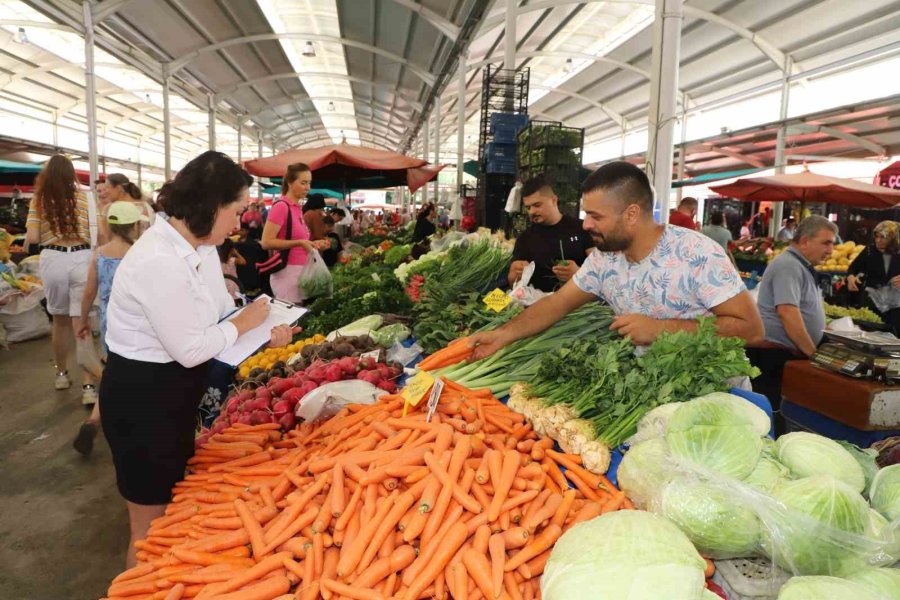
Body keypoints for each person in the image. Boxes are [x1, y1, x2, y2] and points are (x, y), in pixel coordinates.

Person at [100, 151, 297, 568]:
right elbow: (191, 347)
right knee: (149, 532)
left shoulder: (202, 246)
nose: (241, 221)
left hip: (173, 396)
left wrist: (265, 332)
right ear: (212, 206)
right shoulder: (158, 260)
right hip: (143, 401)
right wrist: (246, 324)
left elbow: (213, 322)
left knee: (169, 519)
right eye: (238, 210)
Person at [469, 161, 763, 359]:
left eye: (596, 216)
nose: (585, 225)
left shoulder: (698, 254)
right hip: (649, 392)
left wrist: (661, 329)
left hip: (710, 400)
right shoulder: (604, 258)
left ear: (631, 214)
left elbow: (752, 329)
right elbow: (556, 304)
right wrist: (502, 335)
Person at [72, 201, 148, 456]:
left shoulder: (99, 253)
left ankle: (94, 420)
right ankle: (131, 425)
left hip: (109, 322)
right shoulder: (140, 253)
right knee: (135, 372)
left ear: (109, 225)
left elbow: (89, 292)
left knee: (112, 370)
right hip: (137, 321)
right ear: (136, 225)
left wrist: (82, 321)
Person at [747, 216, 837, 432]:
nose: (831, 250)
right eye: (826, 243)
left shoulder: (799, 265)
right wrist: (812, 354)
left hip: (782, 356)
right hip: (774, 358)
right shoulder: (789, 265)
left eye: (833, 244)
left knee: (778, 413)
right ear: (804, 241)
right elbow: (788, 312)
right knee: (770, 416)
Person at [24, 155, 98, 404]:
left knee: (60, 321)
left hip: (53, 258)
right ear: (72, 174)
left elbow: (33, 237)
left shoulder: (40, 199)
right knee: (81, 321)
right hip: (82, 257)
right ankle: (88, 386)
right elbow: (95, 233)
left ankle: (61, 374)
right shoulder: (86, 197)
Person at [507, 175, 594, 293]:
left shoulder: (581, 228)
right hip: (538, 305)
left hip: (578, 305)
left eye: (537, 205)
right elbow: (513, 283)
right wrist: (514, 274)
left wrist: (578, 274)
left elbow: (601, 272)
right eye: (528, 207)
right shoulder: (525, 238)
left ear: (554, 200)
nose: (532, 211)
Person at [261, 163, 317, 304]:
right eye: (303, 183)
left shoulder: (297, 208)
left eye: (309, 183)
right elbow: (266, 242)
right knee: (290, 321)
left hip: (299, 272)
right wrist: (299, 243)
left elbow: (295, 239)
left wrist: (312, 244)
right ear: (290, 183)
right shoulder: (281, 206)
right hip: (286, 274)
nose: (308, 188)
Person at [847, 220, 900, 333]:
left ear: (893, 238)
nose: (878, 240)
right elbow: (852, 268)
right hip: (871, 303)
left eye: (883, 237)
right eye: (876, 236)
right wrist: (850, 277)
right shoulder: (869, 251)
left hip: (895, 308)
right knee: (870, 334)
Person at [99, 173, 155, 242]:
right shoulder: (146, 206)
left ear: (118, 188)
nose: (105, 191)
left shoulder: (111, 208)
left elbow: (104, 236)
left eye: (107, 187)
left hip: (122, 251)